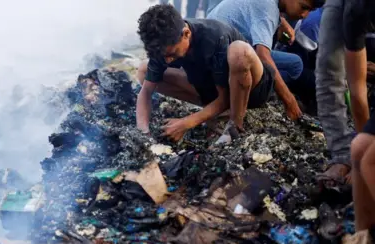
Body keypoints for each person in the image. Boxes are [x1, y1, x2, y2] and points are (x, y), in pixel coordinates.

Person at [135, 4, 276, 144]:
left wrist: (186, 123)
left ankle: (234, 126)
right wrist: (144, 135)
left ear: (186, 34)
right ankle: (216, 114)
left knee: (239, 52)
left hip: (252, 89)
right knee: (143, 70)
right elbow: (146, 91)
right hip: (212, 86)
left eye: (172, 54)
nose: (168, 60)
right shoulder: (161, 46)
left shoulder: (214, 37)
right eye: (164, 56)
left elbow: (225, 97)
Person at [207, 0, 325, 121]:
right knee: (294, 66)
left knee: (295, 64)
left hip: (218, 47)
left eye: (310, 11)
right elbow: (263, 55)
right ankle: (253, 95)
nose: (304, 15)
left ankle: (265, 88)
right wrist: (289, 101)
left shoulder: (269, 6)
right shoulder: (268, 9)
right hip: (221, 60)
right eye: (303, 7)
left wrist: (280, 22)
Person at [316, 0, 374, 189]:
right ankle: (343, 155)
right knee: (328, 67)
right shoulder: (356, 9)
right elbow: (357, 89)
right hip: (350, 7)